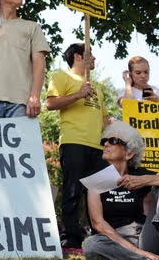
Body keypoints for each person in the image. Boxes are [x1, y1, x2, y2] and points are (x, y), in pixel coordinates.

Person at [83, 121, 159, 260]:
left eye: (113, 140)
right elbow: (98, 224)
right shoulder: (96, 179)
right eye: (104, 141)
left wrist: (146, 180)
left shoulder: (139, 175)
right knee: (90, 245)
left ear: (129, 153)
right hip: (116, 242)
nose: (106, 144)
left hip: (145, 237)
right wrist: (142, 254)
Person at [45, 43, 110, 251]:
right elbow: (50, 104)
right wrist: (78, 94)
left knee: (98, 193)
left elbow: (104, 119)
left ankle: (100, 238)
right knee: (72, 191)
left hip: (97, 146)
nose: (95, 58)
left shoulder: (96, 88)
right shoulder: (62, 77)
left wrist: (112, 135)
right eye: (90, 54)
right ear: (77, 56)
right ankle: (71, 239)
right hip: (74, 141)